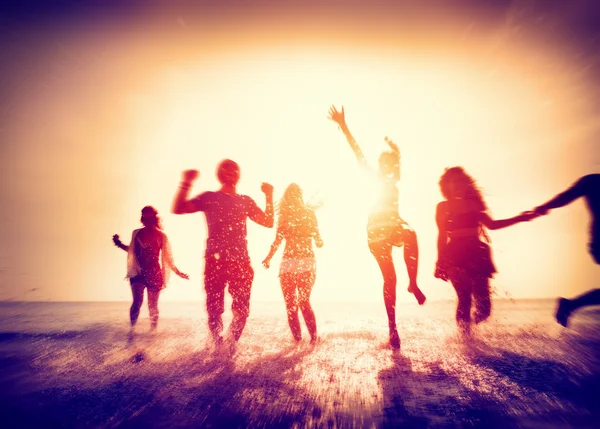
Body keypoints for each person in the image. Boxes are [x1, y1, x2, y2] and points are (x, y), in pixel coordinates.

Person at [328, 105, 425, 349]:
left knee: (411, 233)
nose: (386, 168)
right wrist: (344, 126)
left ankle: (412, 283)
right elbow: (358, 153)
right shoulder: (374, 177)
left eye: (389, 164)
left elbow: (397, 166)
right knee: (389, 278)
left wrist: (396, 153)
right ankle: (393, 328)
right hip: (375, 231)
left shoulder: (394, 180)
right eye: (383, 164)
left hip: (394, 226)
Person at [171, 160, 274, 344]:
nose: (231, 172)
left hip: (241, 261)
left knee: (242, 311)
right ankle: (218, 345)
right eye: (227, 169)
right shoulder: (209, 197)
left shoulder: (245, 201)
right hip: (215, 261)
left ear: (239, 174)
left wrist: (269, 196)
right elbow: (179, 209)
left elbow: (268, 222)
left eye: (235, 169)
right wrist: (186, 183)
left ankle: (230, 347)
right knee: (214, 310)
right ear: (220, 174)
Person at [435, 167, 535, 335]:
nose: (459, 184)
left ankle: (469, 328)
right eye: (455, 181)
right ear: (447, 185)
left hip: (477, 252)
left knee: (485, 309)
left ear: (467, 184)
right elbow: (442, 235)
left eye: (462, 180)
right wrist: (439, 262)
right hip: (455, 254)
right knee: (464, 298)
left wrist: (520, 218)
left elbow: (492, 225)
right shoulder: (443, 207)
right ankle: (465, 340)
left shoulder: (473, 205)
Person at [533, 174, 600, 327]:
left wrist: (545, 207)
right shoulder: (592, 181)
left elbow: (566, 197)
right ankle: (571, 304)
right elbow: (566, 196)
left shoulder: (590, 180)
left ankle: (571, 304)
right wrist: (545, 206)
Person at [262, 184, 324, 344]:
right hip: (296, 263)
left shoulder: (295, 215)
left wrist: (316, 237)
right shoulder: (305, 214)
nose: (295, 197)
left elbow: (317, 239)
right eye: (293, 194)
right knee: (296, 303)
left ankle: (310, 340)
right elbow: (318, 241)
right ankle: (307, 341)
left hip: (298, 263)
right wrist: (268, 257)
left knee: (298, 303)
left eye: (296, 194)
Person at [112, 206, 189, 331]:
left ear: (154, 219)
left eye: (149, 217)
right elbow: (132, 250)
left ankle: (153, 333)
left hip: (154, 274)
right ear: (142, 218)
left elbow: (167, 258)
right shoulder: (136, 233)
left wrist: (178, 272)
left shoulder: (161, 236)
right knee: (137, 302)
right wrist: (119, 244)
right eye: (144, 217)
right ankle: (131, 332)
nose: (146, 220)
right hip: (138, 272)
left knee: (152, 306)